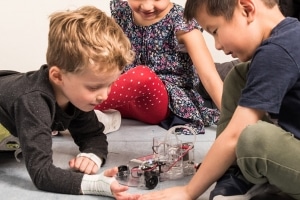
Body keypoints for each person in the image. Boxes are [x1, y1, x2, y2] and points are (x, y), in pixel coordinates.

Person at [139, 0, 300, 199]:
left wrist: (189, 192)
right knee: (238, 75)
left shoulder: (276, 52)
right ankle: (234, 172)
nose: (218, 45)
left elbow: (234, 136)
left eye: (215, 31)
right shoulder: (290, 33)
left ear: (247, 9)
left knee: (254, 139)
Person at [0, 6, 140, 199]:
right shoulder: (33, 101)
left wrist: (92, 155)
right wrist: (96, 184)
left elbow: (93, 135)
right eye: (93, 87)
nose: (104, 96)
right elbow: (41, 173)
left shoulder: (76, 97)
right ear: (57, 76)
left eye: (110, 85)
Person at [95, 0, 223, 135]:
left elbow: (209, 76)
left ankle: (76, 107)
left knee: (143, 75)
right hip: (124, 97)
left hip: (160, 99)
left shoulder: (182, 21)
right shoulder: (121, 12)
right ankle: (93, 112)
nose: (147, 6)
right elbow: (108, 55)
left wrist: (232, 116)